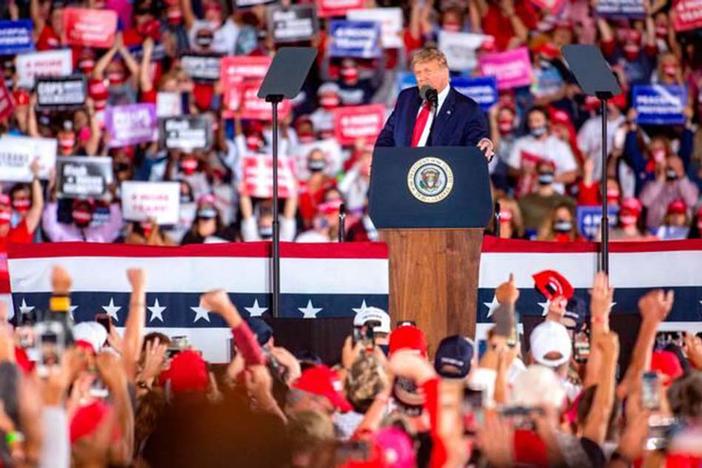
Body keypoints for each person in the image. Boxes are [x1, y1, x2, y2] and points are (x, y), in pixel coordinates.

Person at [375, 47, 495, 162]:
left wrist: (484, 143)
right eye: (418, 73)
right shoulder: (406, 98)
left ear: (445, 72)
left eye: (427, 71)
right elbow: (387, 136)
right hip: (402, 173)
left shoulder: (467, 108)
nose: (422, 78)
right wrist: (379, 163)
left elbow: (476, 141)